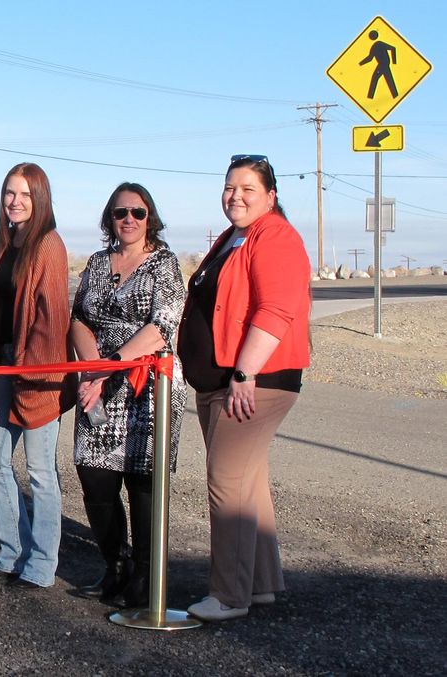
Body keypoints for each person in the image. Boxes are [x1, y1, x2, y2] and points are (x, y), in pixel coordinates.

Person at [178, 155, 310, 621]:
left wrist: (243, 374)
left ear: (270, 196)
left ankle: (229, 596)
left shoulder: (275, 236)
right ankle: (260, 584)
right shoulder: (235, 236)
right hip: (223, 380)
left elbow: (276, 310)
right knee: (247, 483)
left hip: (253, 382)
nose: (235, 195)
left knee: (227, 484)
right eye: (230, 187)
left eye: (247, 188)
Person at [68, 182, 187, 608]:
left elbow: (164, 325)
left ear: (150, 217)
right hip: (98, 380)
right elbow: (79, 317)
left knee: (143, 481)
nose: (129, 220)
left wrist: (112, 365)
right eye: (121, 213)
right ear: (109, 219)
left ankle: (146, 575)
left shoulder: (164, 264)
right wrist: (94, 366)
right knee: (94, 476)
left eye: (138, 212)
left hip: (147, 384)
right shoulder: (99, 263)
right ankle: (114, 565)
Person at [0, 163, 72, 590]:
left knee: (40, 471)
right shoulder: (2, 245)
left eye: (24, 195)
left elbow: (53, 318)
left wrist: (34, 372)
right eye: (9, 194)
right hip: (5, 365)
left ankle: (41, 564)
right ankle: (11, 551)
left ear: (40, 199)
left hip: (39, 371)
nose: (15, 202)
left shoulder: (49, 245)